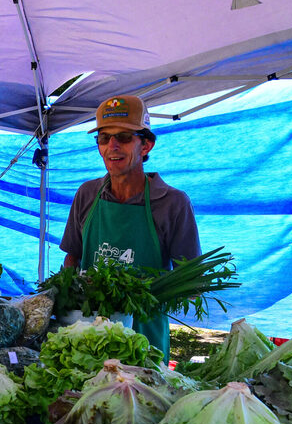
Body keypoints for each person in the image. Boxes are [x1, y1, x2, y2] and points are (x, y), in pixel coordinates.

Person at [60, 94, 201, 361]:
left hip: (144, 339)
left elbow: (188, 282)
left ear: (146, 145)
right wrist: (69, 293)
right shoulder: (87, 193)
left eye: (124, 137)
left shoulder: (173, 203)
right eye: (104, 138)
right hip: (89, 337)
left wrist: (136, 291)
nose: (113, 146)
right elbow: (72, 257)